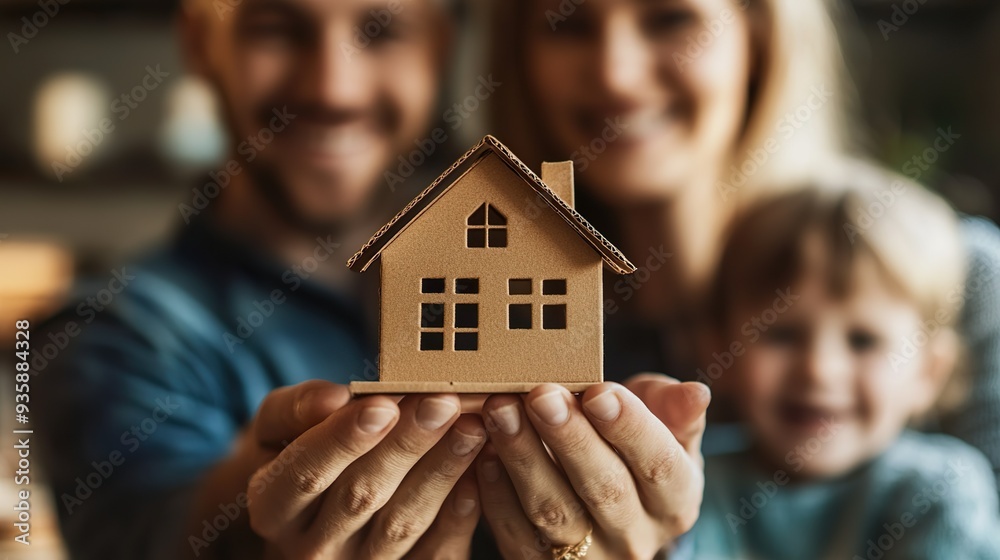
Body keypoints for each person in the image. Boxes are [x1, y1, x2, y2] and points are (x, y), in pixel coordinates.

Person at [35, 0, 710, 558]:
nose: (333, 86)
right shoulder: (111, 333)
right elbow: (143, 527)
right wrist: (250, 516)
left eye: (380, 29)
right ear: (199, 42)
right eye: (276, 26)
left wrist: (643, 537)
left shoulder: (607, 286)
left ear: (441, 47)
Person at [489, 0, 1000, 491]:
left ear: (760, 36)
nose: (615, 75)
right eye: (569, 25)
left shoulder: (965, 279)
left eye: (671, 17)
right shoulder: (498, 316)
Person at [688, 169, 1000, 558]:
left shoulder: (942, 492)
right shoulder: (688, 480)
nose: (819, 369)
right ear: (719, 351)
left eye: (863, 341)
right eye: (782, 334)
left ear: (929, 372)